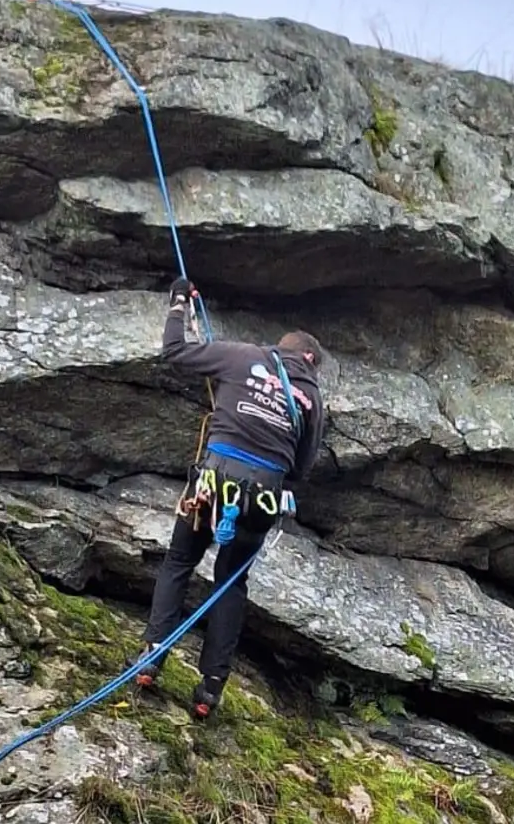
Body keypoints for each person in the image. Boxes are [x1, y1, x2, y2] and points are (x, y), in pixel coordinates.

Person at [131, 275, 329, 720]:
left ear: (282, 348)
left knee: (181, 560)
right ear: (310, 362)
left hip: (213, 481)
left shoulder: (243, 356)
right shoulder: (312, 399)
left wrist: (179, 303)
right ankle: (210, 690)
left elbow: (174, 350)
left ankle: (151, 659)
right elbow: (300, 469)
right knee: (230, 582)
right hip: (263, 496)